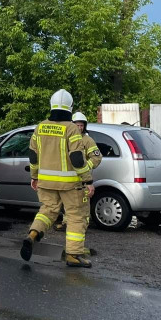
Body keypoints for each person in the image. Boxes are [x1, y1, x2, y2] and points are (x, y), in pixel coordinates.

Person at [20, 90, 102, 268]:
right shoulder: (71, 128)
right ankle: (73, 255)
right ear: (70, 107)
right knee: (76, 216)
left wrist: (34, 176)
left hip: (45, 182)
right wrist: (88, 181)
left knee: (47, 211)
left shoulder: (40, 127)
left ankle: (33, 234)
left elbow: (33, 156)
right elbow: (77, 159)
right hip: (70, 185)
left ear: (52, 105)